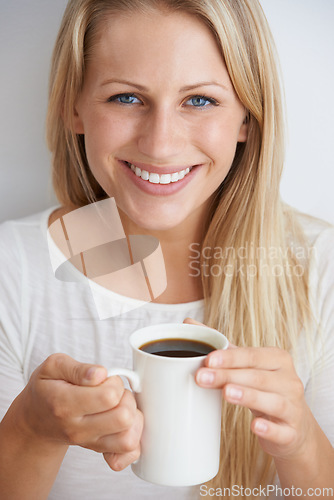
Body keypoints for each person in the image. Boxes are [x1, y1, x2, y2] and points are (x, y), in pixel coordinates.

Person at [0, 0, 333, 498]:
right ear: (74, 107)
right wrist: (29, 432)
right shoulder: (12, 270)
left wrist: (301, 443)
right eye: (126, 99)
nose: (159, 144)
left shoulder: (320, 267)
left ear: (248, 118)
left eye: (199, 100)